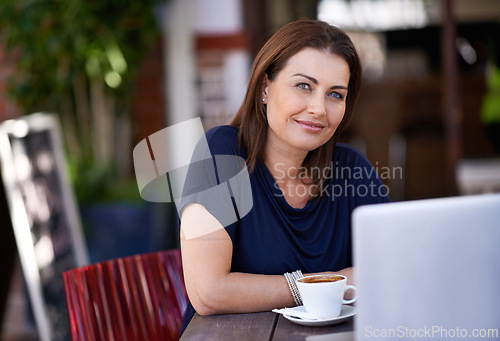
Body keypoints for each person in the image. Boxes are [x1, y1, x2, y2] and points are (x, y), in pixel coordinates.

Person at [179, 18, 389, 333]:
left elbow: (393, 268)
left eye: (335, 94)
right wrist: (323, 284)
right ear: (265, 88)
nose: (319, 108)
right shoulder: (221, 152)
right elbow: (208, 292)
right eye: (304, 85)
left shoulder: (352, 169)